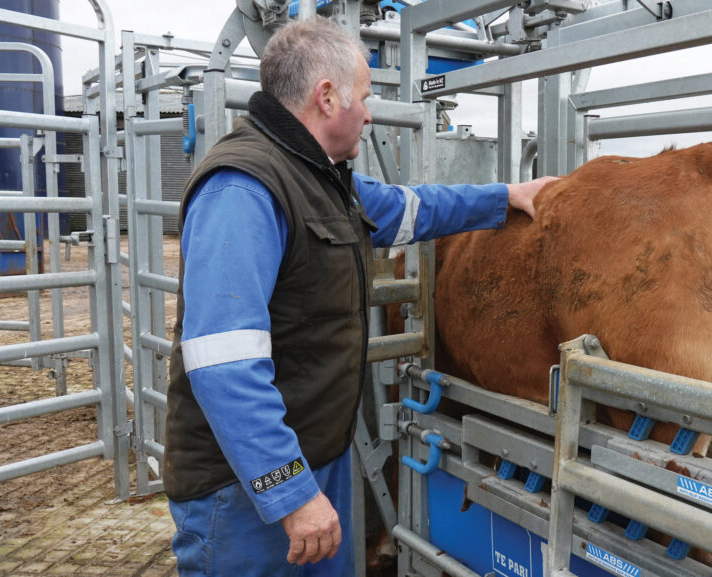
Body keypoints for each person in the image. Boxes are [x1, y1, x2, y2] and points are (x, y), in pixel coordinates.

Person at [163, 16, 556, 577]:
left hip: (313, 455)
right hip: (245, 483)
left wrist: (507, 196)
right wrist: (291, 494)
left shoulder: (319, 176)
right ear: (327, 97)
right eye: (365, 97)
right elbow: (225, 364)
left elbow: (410, 208)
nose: (370, 114)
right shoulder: (243, 187)